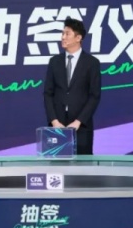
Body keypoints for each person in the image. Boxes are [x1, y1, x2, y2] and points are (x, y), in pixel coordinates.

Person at [44, 18, 102, 155]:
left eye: (67, 34)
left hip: (81, 126)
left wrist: (78, 121)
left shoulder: (92, 63)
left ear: (78, 38)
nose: (63, 37)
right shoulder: (54, 61)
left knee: (83, 166)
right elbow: (48, 93)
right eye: (62, 33)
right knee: (57, 163)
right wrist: (54, 121)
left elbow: (94, 96)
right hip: (57, 126)